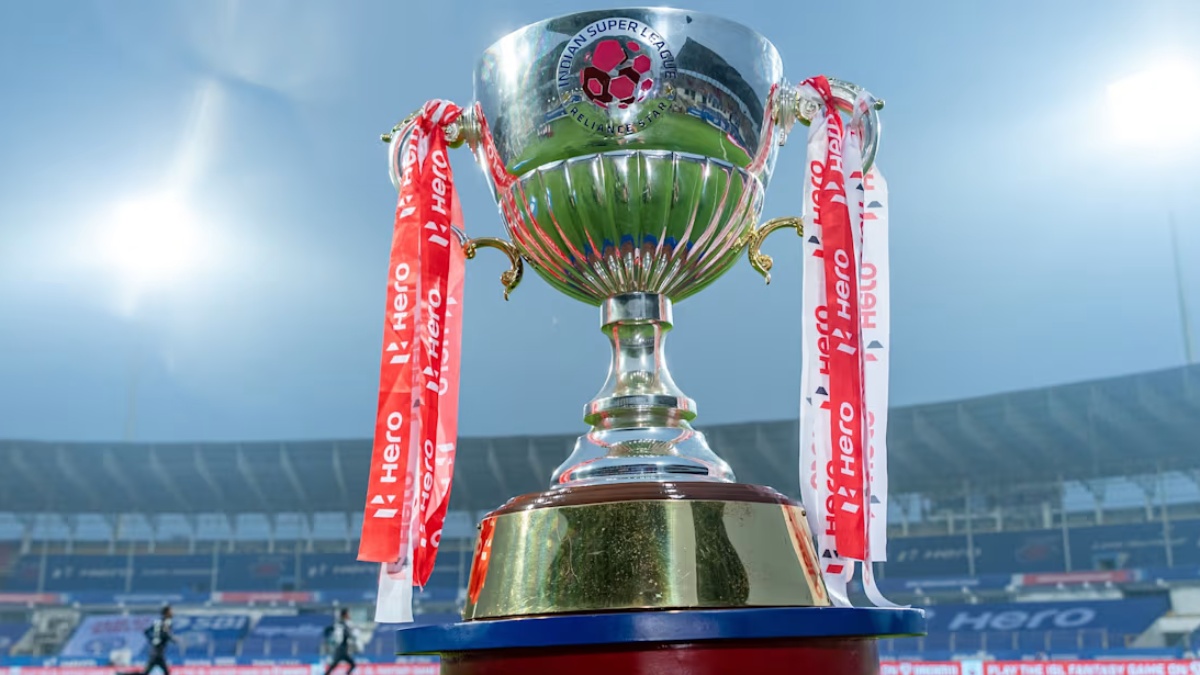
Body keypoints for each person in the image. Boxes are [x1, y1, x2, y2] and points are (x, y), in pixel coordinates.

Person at [119, 606, 173, 675]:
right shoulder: (165, 623)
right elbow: (165, 635)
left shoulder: (159, 622)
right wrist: (174, 639)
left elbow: (147, 632)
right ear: (166, 613)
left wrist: (152, 640)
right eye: (170, 611)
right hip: (157, 654)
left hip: (156, 653)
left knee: (146, 673)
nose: (172, 613)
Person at [323, 609, 358, 675]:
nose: (349, 615)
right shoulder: (342, 624)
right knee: (334, 666)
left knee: (334, 666)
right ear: (345, 615)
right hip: (341, 649)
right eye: (348, 614)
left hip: (342, 649)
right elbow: (345, 634)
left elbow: (329, 629)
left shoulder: (342, 623)